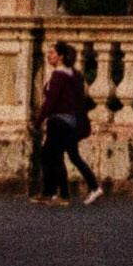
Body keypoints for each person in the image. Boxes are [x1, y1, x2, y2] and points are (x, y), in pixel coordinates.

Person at [35, 41, 102, 205]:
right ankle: (92, 187)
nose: (48, 56)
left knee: (49, 155)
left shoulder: (59, 76)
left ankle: (58, 194)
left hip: (58, 121)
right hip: (71, 122)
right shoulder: (75, 75)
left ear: (61, 56)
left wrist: (39, 120)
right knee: (72, 156)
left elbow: (50, 102)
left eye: (52, 53)